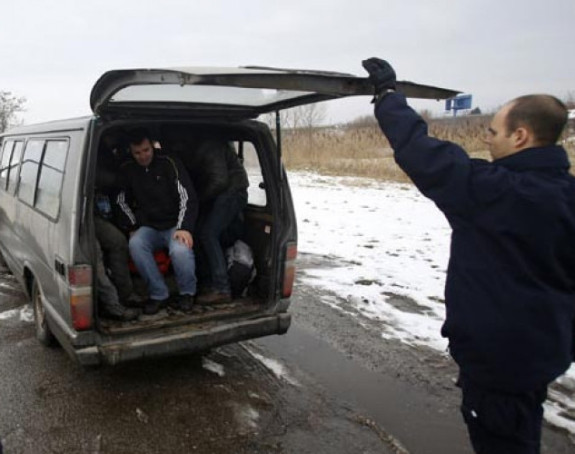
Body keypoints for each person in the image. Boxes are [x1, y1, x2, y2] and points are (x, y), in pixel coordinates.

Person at [362, 57, 575, 454]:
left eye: (494, 131)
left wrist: (388, 96)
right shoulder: (567, 195)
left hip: (499, 364)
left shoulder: (493, 192)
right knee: (519, 432)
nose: (487, 139)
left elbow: (419, 150)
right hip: (541, 355)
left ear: (521, 136)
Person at [117, 128, 199, 315]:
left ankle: (187, 293)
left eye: (146, 150)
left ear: (152, 146)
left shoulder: (169, 162)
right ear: (131, 151)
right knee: (136, 244)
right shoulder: (127, 168)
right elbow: (121, 200)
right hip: (149, 226)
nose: (142, 156)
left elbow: (187, 197)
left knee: (180, 250)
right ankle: (159, 294)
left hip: (175, 224)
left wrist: (184, 227)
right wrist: (132, 226)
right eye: (137, 152)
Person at [172, 138, 249, 305]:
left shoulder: (209, 146)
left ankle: (222, 289)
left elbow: (219, 182)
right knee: (199, 232)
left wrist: (197, 200)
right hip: (219, 194)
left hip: (232, 191)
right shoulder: (193, 151)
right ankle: (208, 283)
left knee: (208, 234)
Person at [95, 133, 143, 312]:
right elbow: (97, 176)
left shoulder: (111, 150)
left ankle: (126, 294)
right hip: (85, 213)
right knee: (100, 252)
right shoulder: (95, 145)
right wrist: (122, 179)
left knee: (118, 242)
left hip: (105, 206)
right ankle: (113, 304)